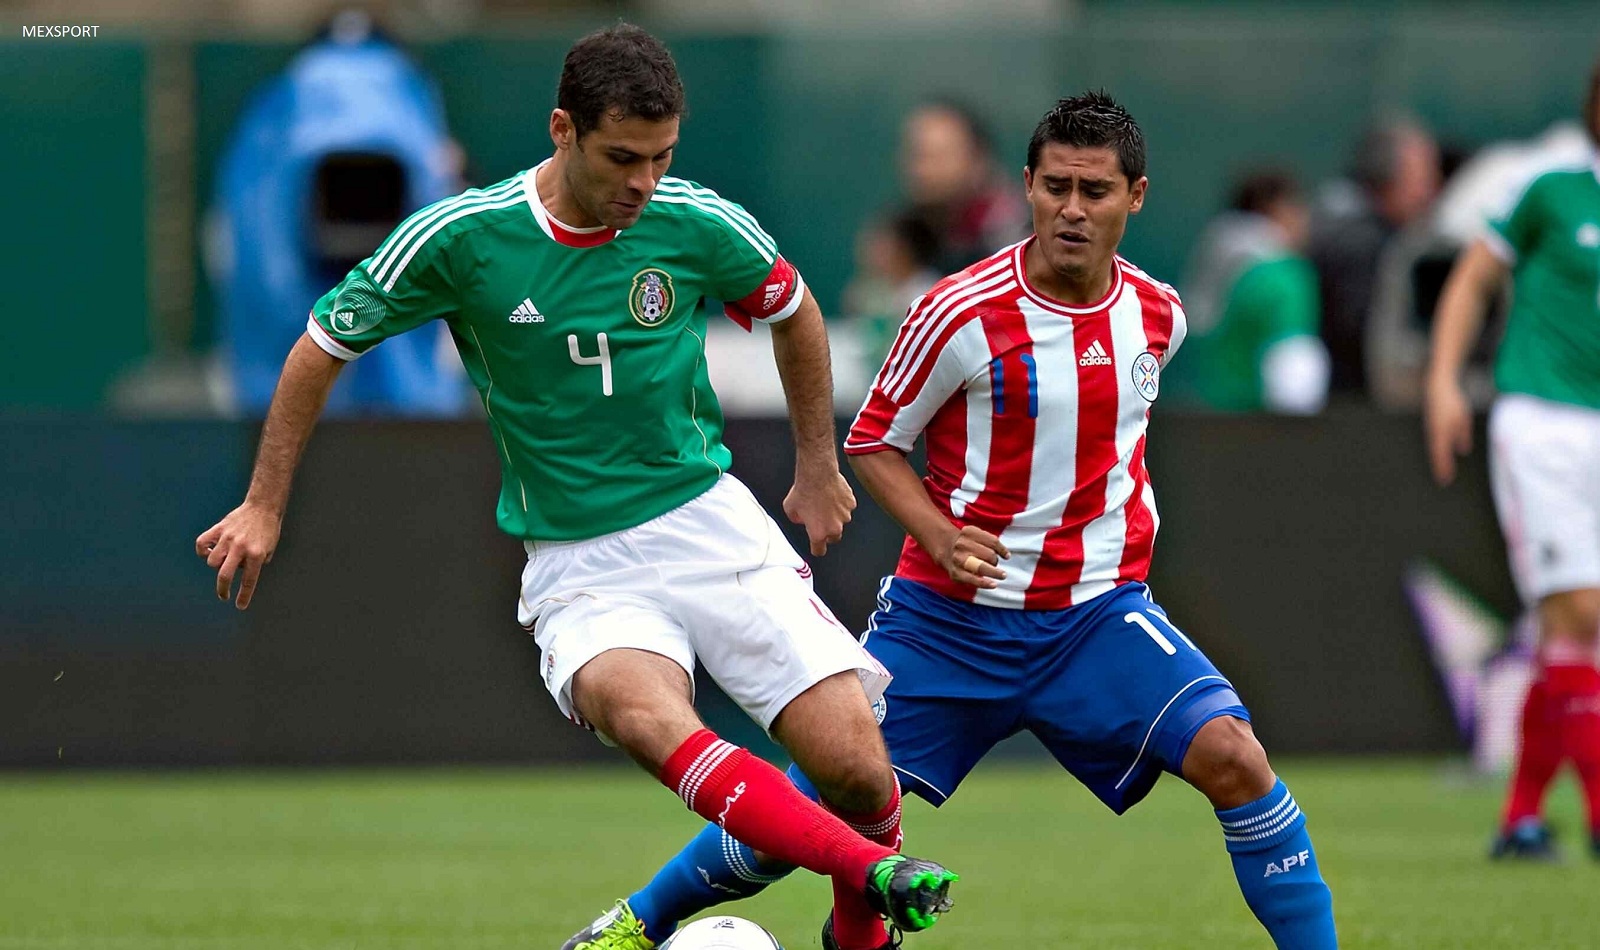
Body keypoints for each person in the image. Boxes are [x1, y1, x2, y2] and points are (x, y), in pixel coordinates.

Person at [193, 23, 958, 950]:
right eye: (621, 157)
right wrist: (265, 503)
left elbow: (793, 312)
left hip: (710, 525)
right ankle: (871, 872)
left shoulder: (694, 220)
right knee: (644, 715)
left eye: (661, 157)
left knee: (862, 777)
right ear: (562, 129)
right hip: (582, 563)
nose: (643, 181)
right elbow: (324, 343)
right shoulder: (464, 237)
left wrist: (816, 462)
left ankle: (806, 913)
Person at [572, 92, 1338, 950]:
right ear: (1028, 186)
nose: (1072, 210)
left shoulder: (1157, 315)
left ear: (1137, 197)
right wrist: (938, 535)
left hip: (1097, 617)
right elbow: (874, 440)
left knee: (1237, 757)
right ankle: (638, 922)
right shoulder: (960, 311)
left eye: (1095, 191)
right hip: (948, 625)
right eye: (1055, 188)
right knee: (827, 797)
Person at [1424, 57, 1600, 862]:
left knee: (1569, 640)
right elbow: (1472, 279)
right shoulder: (1552, 189)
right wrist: (1444, 382)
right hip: (1542, 422)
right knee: (1580, 618)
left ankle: (1521, 819)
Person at [1174, 169, 1328, 413]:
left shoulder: (1210, 263)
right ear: (1279, 209)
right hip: (1263, 432)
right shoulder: (1284, 277)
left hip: (1205, 424)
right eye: (1300, 210)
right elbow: (1295, 381)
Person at [1308, 118, 1440, 397]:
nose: (1430, 193)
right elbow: (1363, 339)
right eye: (1423, 178)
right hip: (1352, 413)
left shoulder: (1341, 221)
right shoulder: (1366, 245)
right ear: (1389, 180)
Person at [898, 99, 1030, 274]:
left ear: (978, 160)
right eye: (916, 154)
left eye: (938, 156)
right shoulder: (904, 237)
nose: (923, 169)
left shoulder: (1010, 235)